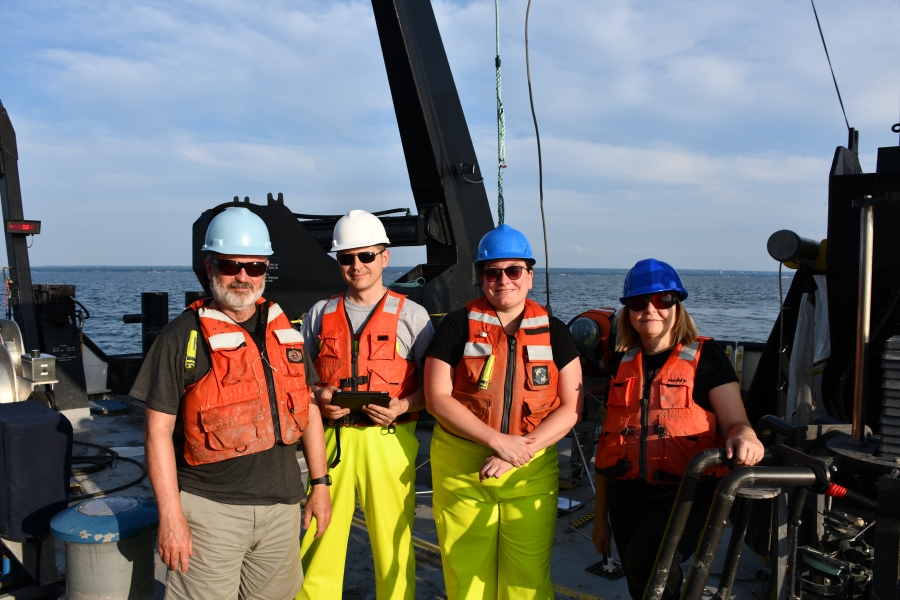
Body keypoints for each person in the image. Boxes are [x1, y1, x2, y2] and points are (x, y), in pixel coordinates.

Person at [136, 207, 332, 600]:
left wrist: (321, 484)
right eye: (230, 265)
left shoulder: (286, 334)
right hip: (210, 512)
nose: (243, 277)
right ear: (210, 266)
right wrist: (171, 517)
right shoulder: (181, 338)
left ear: (265, 270)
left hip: (281, 509)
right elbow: (156, 433)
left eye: (254, 267)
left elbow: (307, 409)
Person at [424, 224, 583, 600]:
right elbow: (437, 397)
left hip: (530, 468)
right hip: (462, 469)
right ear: (481, 279)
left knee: (527, 578)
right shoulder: (456, 326)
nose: (503, 280)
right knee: (467, 575)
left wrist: (520, 449)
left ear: (529, 276)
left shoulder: (555, 332)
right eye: (492, 272)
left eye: (513, 271)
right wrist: (498, 442)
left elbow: (572, 406)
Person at [591, 258, 765, 600]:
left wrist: (746, 436)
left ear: (677, 304)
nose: (650, 310)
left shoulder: (708, 357)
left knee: (649, 564)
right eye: (639, 303)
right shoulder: (623, 362)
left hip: (688, 493)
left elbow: (737, 423)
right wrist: (600, 520)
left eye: (663, 300)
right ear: (628, 310)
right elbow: (607, 443)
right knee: (636, 575)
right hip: (626, 496)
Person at [296, 210, 434, 600]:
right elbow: (299, 383)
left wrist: (404, 405)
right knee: (318, 537)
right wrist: (319, 398)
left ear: (384, 257)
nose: (357, 266)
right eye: (346, 258)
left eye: (366, 256)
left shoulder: (413, 316)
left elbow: (437, 387)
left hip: (389, 439)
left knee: (394, 544)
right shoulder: (319, 315)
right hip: (330, 443)